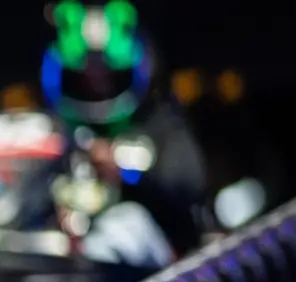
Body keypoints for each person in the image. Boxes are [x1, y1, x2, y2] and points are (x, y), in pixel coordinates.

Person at [43, 0, 206, 254]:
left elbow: (188, 183)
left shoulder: (159, 122)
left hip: (158, 263)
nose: (96, 79)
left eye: (105, 70)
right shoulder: (61, 131)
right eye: (87, 71)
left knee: (122, 230)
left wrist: (122, 165)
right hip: (75, 264)